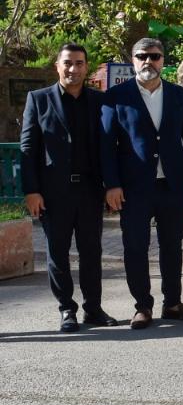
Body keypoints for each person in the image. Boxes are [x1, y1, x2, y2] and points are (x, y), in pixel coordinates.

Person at [101, 38, 183, 329]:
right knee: (135, 247)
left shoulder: (177, 95)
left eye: (155, 56)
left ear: (162, 60)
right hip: (133, 188)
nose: (149, 61)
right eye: (142, 56)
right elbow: (106, 145)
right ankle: (142, 306)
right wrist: (112, 184)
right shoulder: (116, 96)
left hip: (172, 185)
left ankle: (172, 303)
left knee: (172, 246)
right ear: (133, 60)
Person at [20, 43, 117, 331]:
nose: (73, 69)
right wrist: (32, 190)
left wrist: (111, 186)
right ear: (57, 66)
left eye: (78, 63)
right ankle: (66, 309)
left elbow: (109, 147)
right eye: (67, 63)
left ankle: (93, 308)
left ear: (86, 67)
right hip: (52, 193)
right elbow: (28, 148)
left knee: (91, 252)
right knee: (58, 252)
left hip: (89, 190)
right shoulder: (38, 99)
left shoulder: (100, 101)